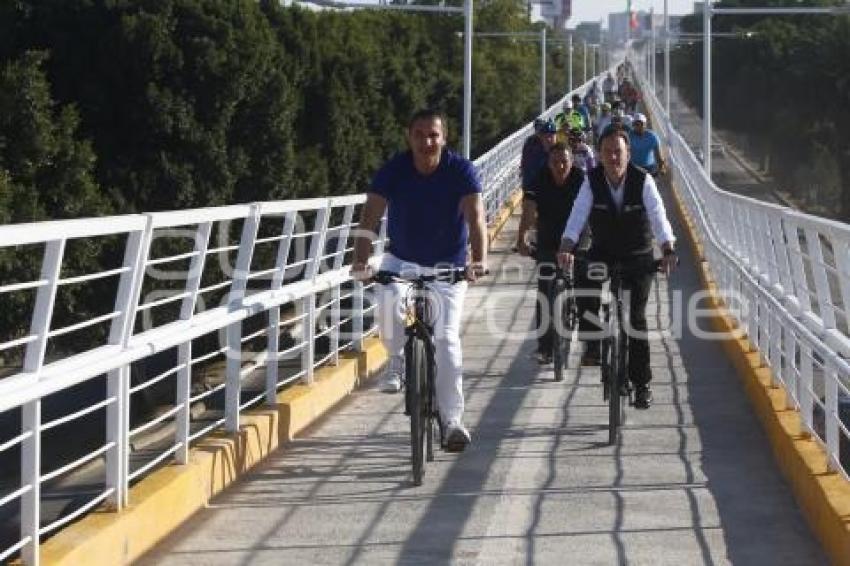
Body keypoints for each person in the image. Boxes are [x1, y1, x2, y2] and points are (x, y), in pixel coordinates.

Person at [351, 109, 488, 451]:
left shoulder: (460, 170)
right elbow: (371, 215)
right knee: (387, 299)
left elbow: (475, 218)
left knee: (446, 341)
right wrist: (360, 259)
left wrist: (479, 260)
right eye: (420, 135)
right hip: (403, 259)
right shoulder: (394, 170)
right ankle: (397, 358)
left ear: (444, 138)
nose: (427, 142)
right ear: (408, 137)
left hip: (449, 266)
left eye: (434, 135)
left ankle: (452, 420)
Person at [557, 128, 677, 410]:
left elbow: (659, 217)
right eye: (607, 152)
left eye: (618, 152)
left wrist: (668, 249)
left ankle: (642, 383)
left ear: (628, 154)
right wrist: (566, 246)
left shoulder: (642, 180)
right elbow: (577, 215)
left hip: (638, 255)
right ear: (599, 154)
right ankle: (594, 344)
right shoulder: (592, 180)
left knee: (635, 320)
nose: (613, 157)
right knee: (584, 278)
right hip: (604, 252)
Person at [516, 143, 587, 364]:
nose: (560, 166)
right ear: (549, 163)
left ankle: (591, 344)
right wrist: (522, 239)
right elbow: (528, 210)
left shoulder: (582, 179)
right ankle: (545, 348)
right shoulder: (540, 179)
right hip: (548, 239)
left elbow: (594, 209)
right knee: (545, 291)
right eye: (555, 162)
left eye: (564, 161)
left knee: (586, 284)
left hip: (577, 238)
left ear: (571, 161)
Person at [517, 119, 557, 249]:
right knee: (529, 213)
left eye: (552, 135)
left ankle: (542, 238)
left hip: (551, 189)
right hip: (532, 186)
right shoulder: (532, 147)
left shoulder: (559, 151)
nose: (549, 139)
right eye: (547, 135)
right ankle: (525, 241)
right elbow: (527, 166)